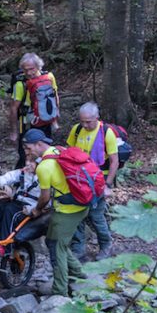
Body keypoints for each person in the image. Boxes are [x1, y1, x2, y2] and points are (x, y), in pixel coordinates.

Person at [23, 129, 88, 296]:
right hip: (80, 203)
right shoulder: (58, 150)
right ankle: (79, 274)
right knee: (53, 241)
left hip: (68, 209)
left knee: (56, 248)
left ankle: (60, 291)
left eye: (29, 148)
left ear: (39, 145)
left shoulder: (44, 166)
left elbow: (44, 198)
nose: (27, 152)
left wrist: (36, 210)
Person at [66, 102, 118, 261]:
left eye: (88, 121)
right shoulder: (76, 130)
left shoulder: (106, 133)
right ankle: (79, 250)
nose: (85, 125)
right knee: (77, 215)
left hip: (98, 181)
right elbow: (68, 153)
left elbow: (114, 161)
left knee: (96, 216)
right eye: (82, 121)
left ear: (97, 118)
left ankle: (106, 244)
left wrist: (108, 185)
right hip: (78, 180)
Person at [7, 53, 61, 170]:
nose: (29, 73)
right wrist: (14, 132)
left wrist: (55, 119)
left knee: (45, 152)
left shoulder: (49, 77)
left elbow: (54, 97)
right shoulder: (20, 83)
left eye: (32, 69)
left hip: (45, 120)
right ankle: (20, 181)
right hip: (27, 124)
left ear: (39, 67)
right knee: (25, 154)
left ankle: (43, 178)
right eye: (25, 70)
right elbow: (13, 107)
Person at [0, 163, 41, 253]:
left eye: (31, 162)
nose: (28, 164)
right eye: (27, 161)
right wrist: (4, 187)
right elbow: (5, 178)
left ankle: (5, 245)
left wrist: (31, 209)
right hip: (15, 202)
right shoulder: (22, 173)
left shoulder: (44, 178)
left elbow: (46, 201)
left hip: (28, 207)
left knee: (10, 212)